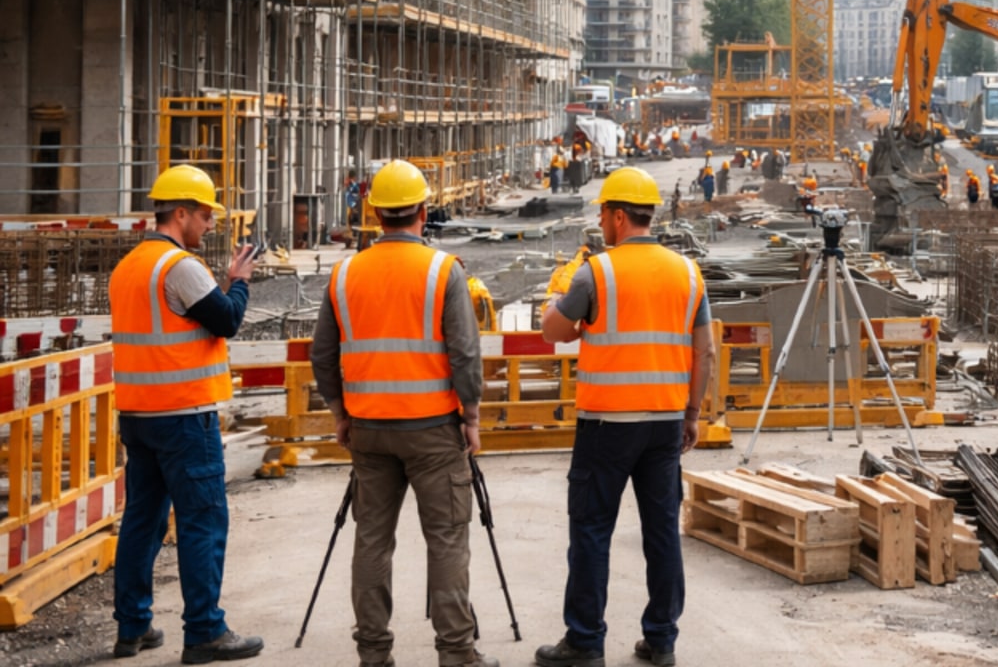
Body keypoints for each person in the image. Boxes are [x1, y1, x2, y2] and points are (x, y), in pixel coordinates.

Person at [310, 161, 496, 667]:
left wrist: (339, 413)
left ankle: (373, 654)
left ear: (374, 214)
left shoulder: (345, 274)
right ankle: (456, 652)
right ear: (423, 210)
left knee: (372, 540)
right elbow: (464, 353)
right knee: (447, 541)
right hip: (433, 430)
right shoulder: (441, 270)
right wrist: (471, 417)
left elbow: (322, 355)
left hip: (369, 431)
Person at [536, 168, 714, 667]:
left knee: (591, 531)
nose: (599, 222)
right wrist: (692, 413)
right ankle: (662, 640)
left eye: (602, 214)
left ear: (618, 216)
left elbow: (553, 331)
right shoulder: (688, 273)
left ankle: (585, 642)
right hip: (664, 424)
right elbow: (705, 352)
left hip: (606, 426)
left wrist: (556, 297)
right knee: (662, 532)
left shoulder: (596, 272)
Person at [109, 164, 264, 663]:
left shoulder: (129, 266)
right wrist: (238, 281)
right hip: (183, 416)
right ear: (180, 213)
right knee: (202, 521)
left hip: (139, 415)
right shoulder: (179, 266)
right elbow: (227, 320)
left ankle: (132, 627)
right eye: (205, 214)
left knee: (142, 521)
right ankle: (205, 631)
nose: (210, 224)